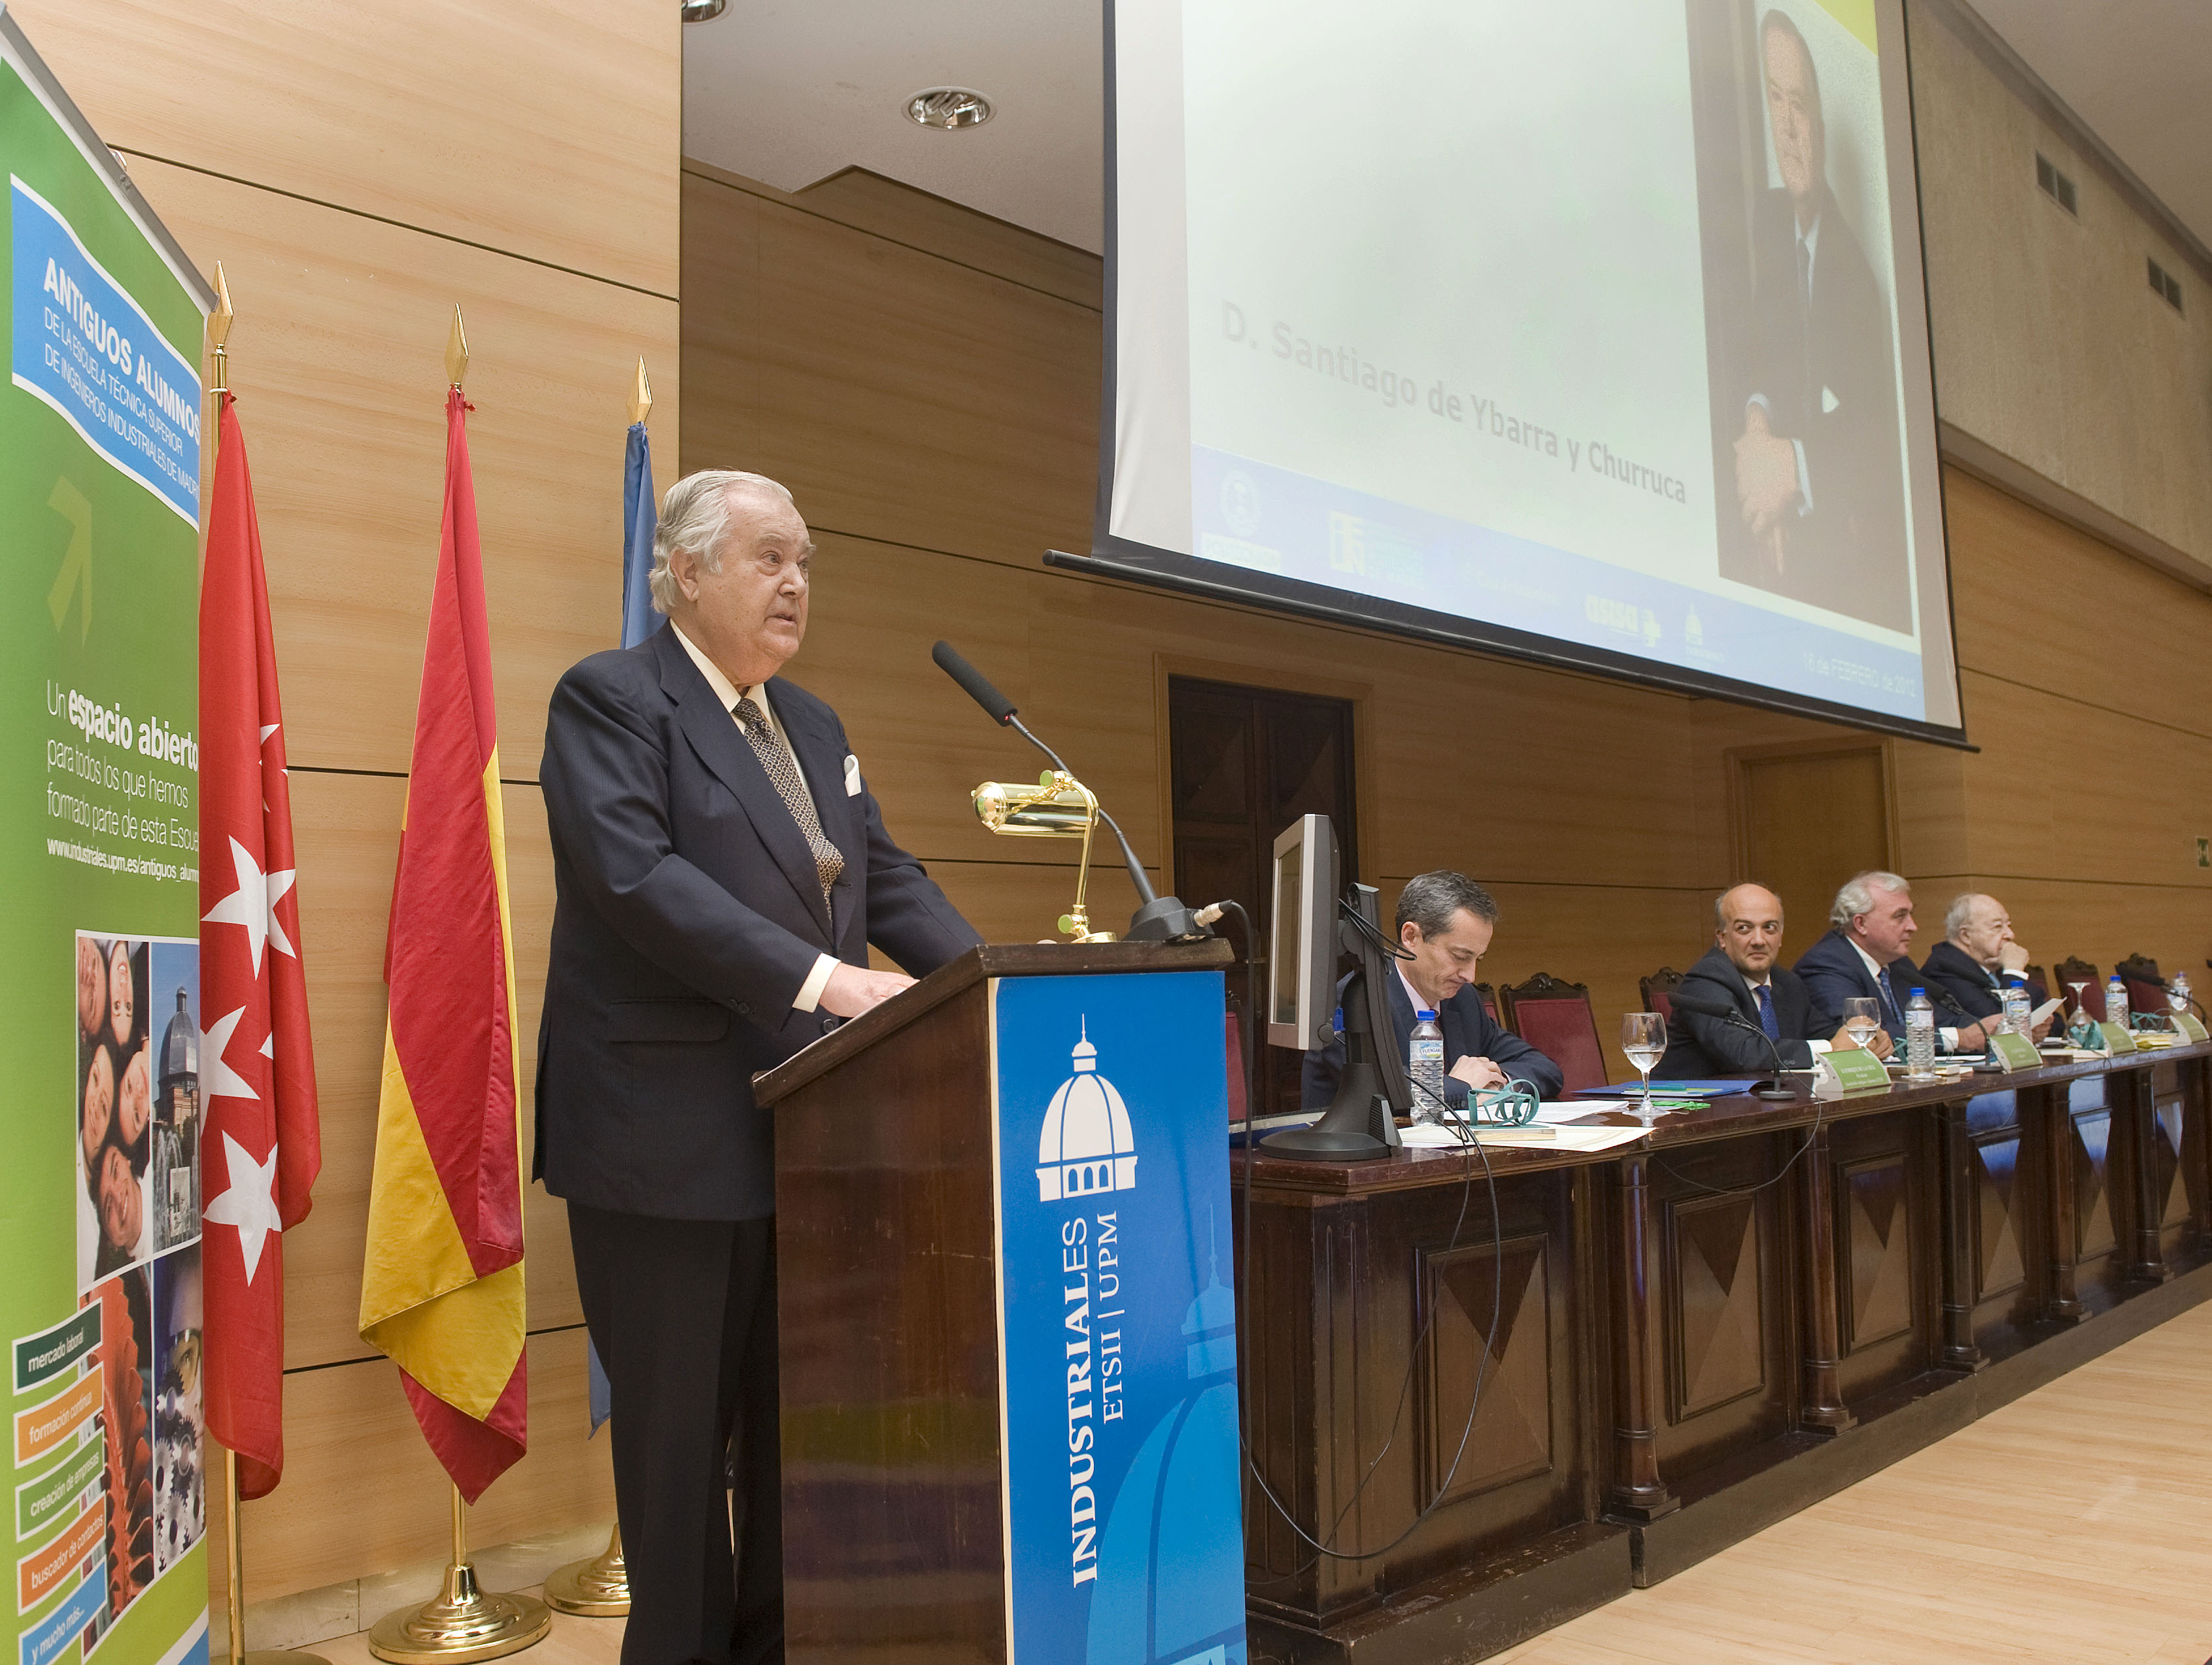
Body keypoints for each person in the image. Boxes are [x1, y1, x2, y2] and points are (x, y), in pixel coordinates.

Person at [536, 469, 981, 1665]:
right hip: (662, 1141)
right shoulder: (611, 699)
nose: (794, 584)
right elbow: (641, 885)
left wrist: (986, 984)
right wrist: (823, 981)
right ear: (684, 571)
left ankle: (785, 1645)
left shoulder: (815, 724)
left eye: (805, 562)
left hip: (812, 1137)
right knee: (679, 1454)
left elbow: (884, 879)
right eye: (767, 558)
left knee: (800, 1435)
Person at [1728, 8, 1909, 630]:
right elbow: (1757, 346)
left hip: (1841, 570)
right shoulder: (1767, 221)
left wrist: (1792, 470)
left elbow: (1877, 439)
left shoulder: (1857, 282)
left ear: (1822, 129)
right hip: (1773, 561)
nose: (1785, 126)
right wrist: (1757, 429)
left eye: (1798, 104)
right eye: (1773, 99)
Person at [1302, 870, 1563, 1108]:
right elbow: (1379, 1092)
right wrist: (1464, 1086)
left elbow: (1544, 1069)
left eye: (1478, 959)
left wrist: (1497, 1082)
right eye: (1460, 956)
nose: (1471, 976)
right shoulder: (1353, 999)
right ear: (1411, 937)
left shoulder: (1462, 1000)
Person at [1655, 883, 1879, 1077]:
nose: (1759, 940)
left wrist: (1862, 1036)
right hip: (1693, 1114)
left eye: (1769, 928)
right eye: (1744, 929)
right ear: (1722, 938)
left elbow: (1828, 1033)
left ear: (1780, 936)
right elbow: (1744, 1055)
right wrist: (1831, 1048)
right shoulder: (1705, 982)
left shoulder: (1788, 984)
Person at [1794, 870, 1998, 1053]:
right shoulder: (1825, 965)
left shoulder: (1899, 964)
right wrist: (1959, 1039)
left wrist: (1987, 1029)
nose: (1913, 926)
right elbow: (1865, 1036)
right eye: (1900, 917)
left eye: (1911, 915)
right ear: (1861, 923)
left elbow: (1942, 1019)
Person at [1923, 894, 2052, 1039]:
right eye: (1998, 927)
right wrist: (2013, 971)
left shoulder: (1996, 966)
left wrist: (2041, 1028)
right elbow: (1998, 1025)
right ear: (1965, 935)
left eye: (2008, 926)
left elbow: (2056, 1021)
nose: (2011, 935)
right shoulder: (1944, 968)